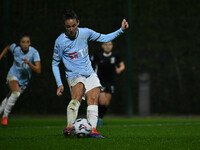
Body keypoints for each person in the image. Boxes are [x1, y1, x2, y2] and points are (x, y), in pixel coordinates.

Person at [52, 9, 128, 138]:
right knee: (76, 97)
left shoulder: (85, 32)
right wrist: (59, 83)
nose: (71, 29)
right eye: (68, 26)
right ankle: (69, 126)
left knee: (93, 100)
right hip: (74, 75)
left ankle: (93, 130)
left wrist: (121, 30)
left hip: (90, 73)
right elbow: (55, 63)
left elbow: (105, 37)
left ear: (78, 23)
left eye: (73, 26)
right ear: (64, 26)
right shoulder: (60, 41)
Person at [0, 35, 41, 126]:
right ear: (20, 43)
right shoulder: (16, 49)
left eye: (27, 42)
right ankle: (5, 117)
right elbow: (7, 47)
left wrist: (29, 63)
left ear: (30, 43)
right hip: (12, 75)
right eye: (23, 42)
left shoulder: (34, 52)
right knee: (16, 93)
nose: (25, 44)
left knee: (9, 97)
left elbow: (38, 70)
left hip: (24, 81)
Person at [91, 41, 125, 126]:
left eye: (110, 45)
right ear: (102, 46)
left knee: (106, 103)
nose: (108, 46)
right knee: (102, 102)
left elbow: (122, 65)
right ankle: (94, 117)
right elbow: (90, 63)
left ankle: (100, 118)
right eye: (106, 45)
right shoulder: (97, 54)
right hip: (99, 81)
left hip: (110, 81)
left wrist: (119, 69)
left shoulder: (115, 54)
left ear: (112, 46)